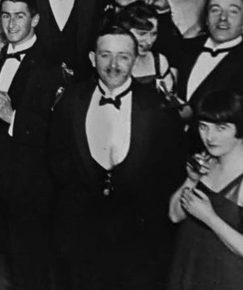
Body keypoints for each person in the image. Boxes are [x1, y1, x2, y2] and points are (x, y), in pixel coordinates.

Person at [48, 26, 186, 290]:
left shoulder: (159, 108)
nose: (114, 65)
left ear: (135, 59)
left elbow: (170, 173)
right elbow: (57, 160)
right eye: (105, 55)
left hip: (137, 241)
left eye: (123, 56)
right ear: (92, 58)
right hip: (81, 238)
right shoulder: (71, 101)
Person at [0, 0, 65, 290]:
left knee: (30, 266)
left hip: (31, 184)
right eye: (5, 16)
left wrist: (13, 117)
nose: (11, 24)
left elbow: (58, 129)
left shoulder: (51, 64)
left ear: (35, 19)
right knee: (3, 263)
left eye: (19, 16)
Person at [168, 90, 243, 289]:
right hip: (192, 270)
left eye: (221, 128)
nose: (210, 137)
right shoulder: (207, 163)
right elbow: (174, 215)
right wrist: (191, 180)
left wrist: (210, 218)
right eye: (203, 127)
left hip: (230, 280)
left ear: (240, 128)